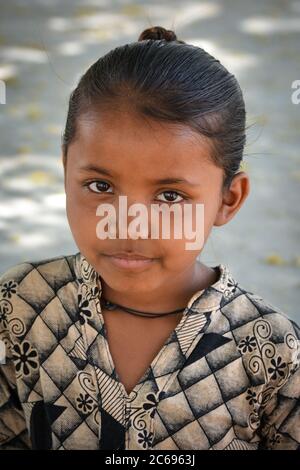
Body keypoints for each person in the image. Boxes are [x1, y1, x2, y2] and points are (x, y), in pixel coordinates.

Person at [0, 25, 299, 450]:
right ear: (66, 170)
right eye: (101, 187)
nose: (129, 224)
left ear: (227, 199)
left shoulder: (273, 352)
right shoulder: (23, 306)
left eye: (170, 195)